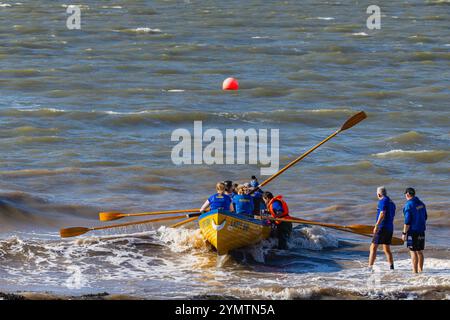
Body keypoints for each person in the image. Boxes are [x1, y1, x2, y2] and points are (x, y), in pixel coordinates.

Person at [368, 186, 396, 270]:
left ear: (379, 194)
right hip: (390, 227)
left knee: (373, 247)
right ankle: (391, 267)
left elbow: (382, 213)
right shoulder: (392, 203)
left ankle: (370, 268)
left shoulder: (382, 201)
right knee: (386, 248)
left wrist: (376, 225)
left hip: (382, 227)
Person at [402, 187, 427, 273]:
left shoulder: (408, 205)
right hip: (421, 231)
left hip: (413, 232)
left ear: (408, 194)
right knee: (419, 251)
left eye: (405, 194)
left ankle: (415, 272)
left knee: (413, 252)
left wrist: (404, 233)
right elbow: (425, 217)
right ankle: (421, 271)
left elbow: (407, 221)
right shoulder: (422, 204)